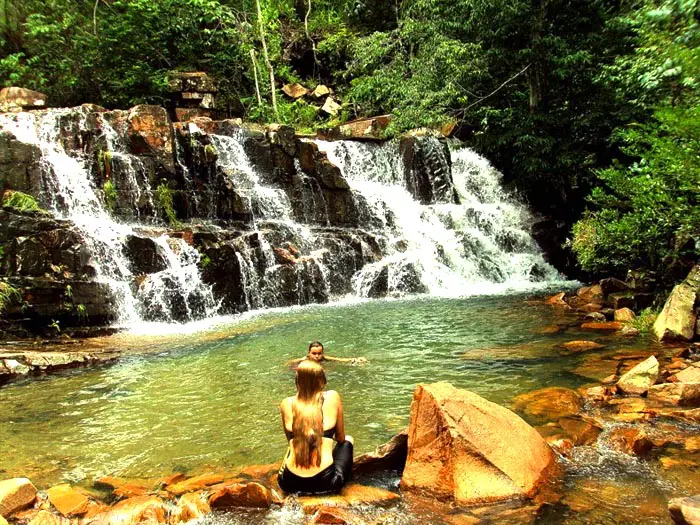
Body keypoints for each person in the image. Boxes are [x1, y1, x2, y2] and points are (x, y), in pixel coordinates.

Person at [277, 360, 354, 494]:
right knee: (348, 440)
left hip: (289, 483)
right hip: (326, 482)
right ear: (321, 380)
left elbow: (289, 442)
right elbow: (340, 438)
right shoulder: (332, 397)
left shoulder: (286, 403)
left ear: (297, 381)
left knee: (293, 446)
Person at [288, 341, 367, 366]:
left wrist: (355, 359)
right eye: (314, 353)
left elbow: (339, 360)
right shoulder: (303, 360)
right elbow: (290, 363)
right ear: (309, 353)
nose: (317, 356)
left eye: (319, 353)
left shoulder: (323, 358)